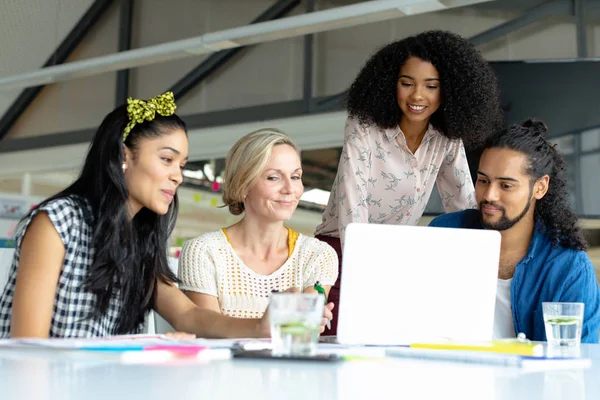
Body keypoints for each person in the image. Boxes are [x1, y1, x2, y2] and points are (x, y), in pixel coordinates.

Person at [0, 92, 332, 338]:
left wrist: (260, 327)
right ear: (123, 156)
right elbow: (29, 345)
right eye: (167, 159)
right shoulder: (57, 223)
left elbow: (188, 315)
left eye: (182, 165)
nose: (177, 175)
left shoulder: (140, 237)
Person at [314, 30, 504, 334]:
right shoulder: (364, 127)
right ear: (391, 84)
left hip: (397, 258)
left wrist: (482, 259)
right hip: (340, 254)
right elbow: (353, 204)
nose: (418, 96)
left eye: (431, 86)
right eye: (407, 84)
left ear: (449, 91)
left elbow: (464, 203)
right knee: (339, 347)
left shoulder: (446, 138)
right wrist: (365, 274)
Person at [429, 120, 600, 343]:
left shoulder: (568, 266)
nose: (489, 194)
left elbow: (584, 358)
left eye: (506, 185)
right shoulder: (444, 233)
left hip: (532, 378)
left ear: (540, 187)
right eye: (483, 180)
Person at [178, 128, 338, 323]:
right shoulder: (203, 252)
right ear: (243, 184)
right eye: (273, 177)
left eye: (295, 176)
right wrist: (284, 322)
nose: (290, 189)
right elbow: (209, 333)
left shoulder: (318, 255)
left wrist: (310, 320)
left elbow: (302, 328)